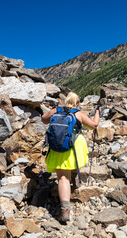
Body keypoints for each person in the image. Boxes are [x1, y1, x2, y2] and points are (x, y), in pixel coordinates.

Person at [41, 92, 100, 222]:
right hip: (74, 145)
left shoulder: (56, 110)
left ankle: (64, 211)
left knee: (62, 176)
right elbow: (93, 126)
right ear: (78, 103)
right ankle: (72, 182)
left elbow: (44, 119)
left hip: (57, 145)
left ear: (64, 101)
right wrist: (97, 113)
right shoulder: (78, 113)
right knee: (70, 167)